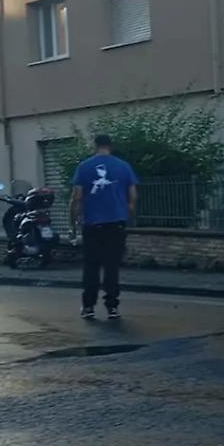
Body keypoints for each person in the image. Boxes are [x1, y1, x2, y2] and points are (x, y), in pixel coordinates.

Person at [70, 134, 138, 321]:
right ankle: (112, 308)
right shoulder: (124, 167)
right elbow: (132, 198)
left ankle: (89, 307)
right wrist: (128, 218)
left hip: (92, 224)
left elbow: (77, 198)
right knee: (112, 267)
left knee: (91, 267)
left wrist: (74, 223)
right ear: (111, 146)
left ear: (95, 146)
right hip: (116, 223)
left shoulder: (84, 167)